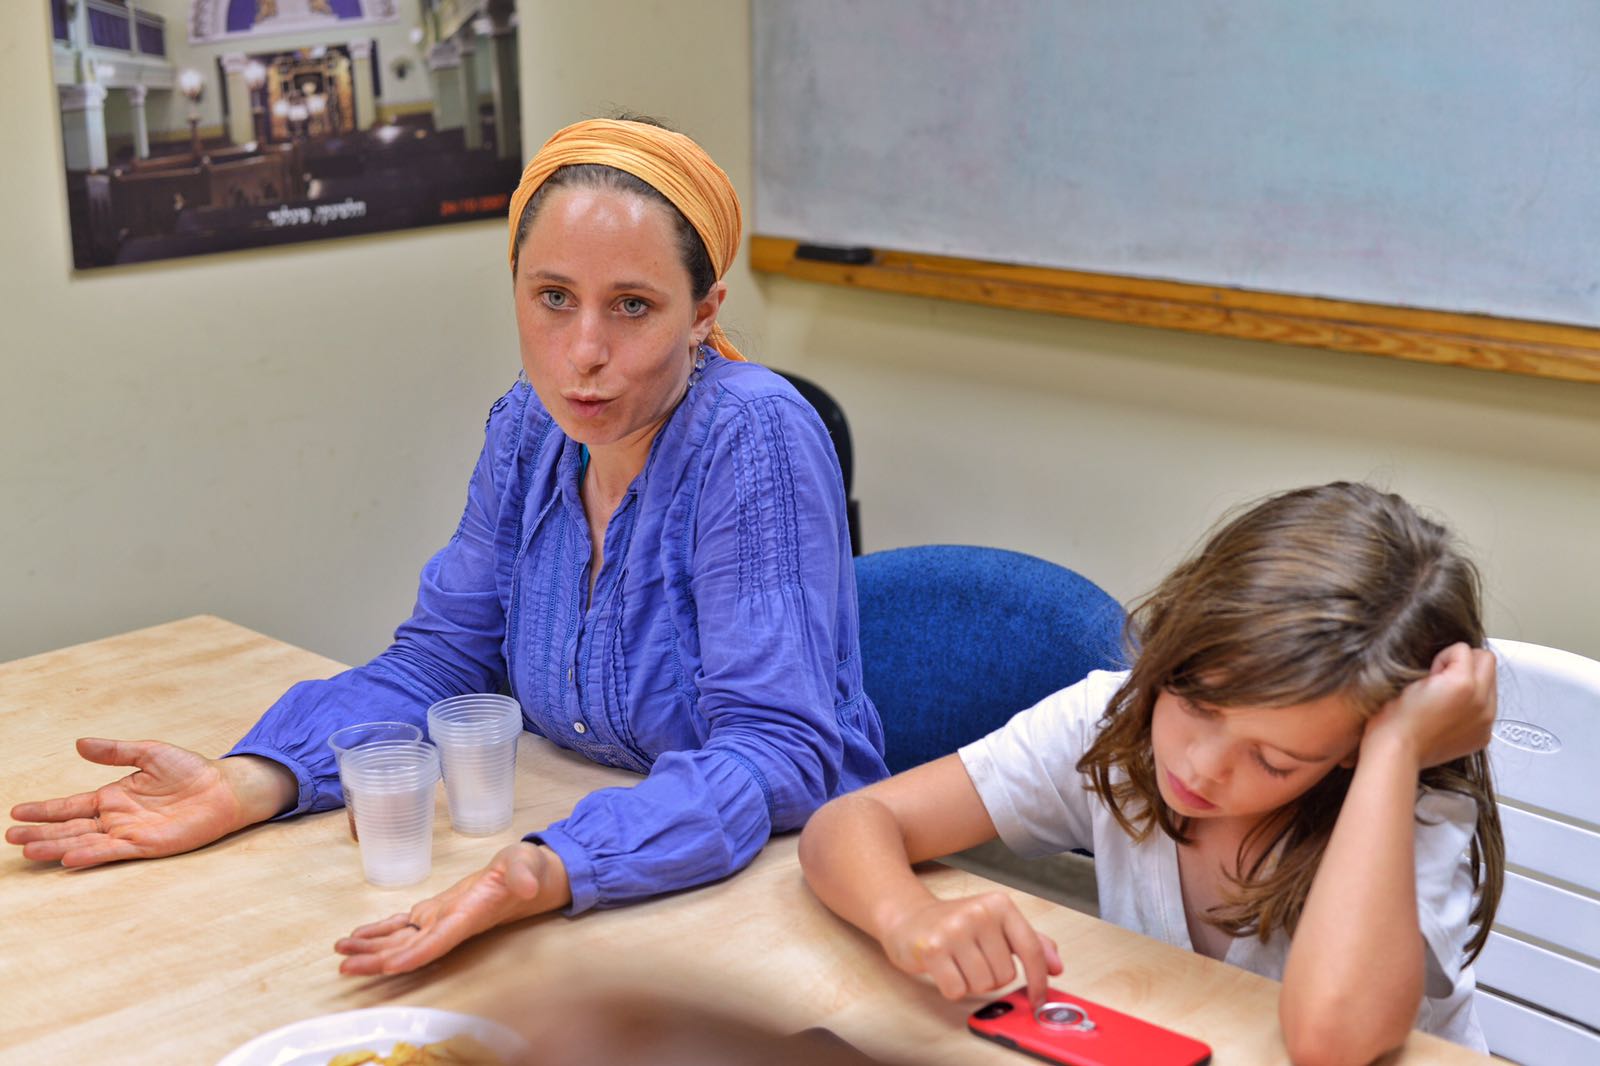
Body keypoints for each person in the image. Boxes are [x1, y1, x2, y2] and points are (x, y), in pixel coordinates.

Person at [8, 117, 888, 975]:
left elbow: (776, 750)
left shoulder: (754, 436)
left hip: (772, 900)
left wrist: (551, 865)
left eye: (632, 306)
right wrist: (249, 781)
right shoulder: (530, 428)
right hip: (600, 875)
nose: (583, 353)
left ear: (703, 313)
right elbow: (441, 660)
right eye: (553, 298)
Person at [798, 482, 1504, 1064]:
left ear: (1356, 751)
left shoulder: (1407, 809)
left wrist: (1393, 753)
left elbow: (1332, 1042)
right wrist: (909, 915)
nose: (1201, 766)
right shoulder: (1113, 720)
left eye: (1272, 760)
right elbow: (850, 823)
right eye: (1196, 703)